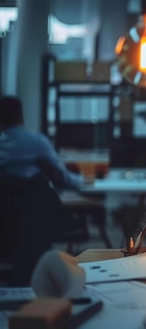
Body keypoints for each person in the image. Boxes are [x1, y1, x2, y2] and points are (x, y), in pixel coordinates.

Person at [0, 96, 85, 285]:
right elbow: (64, 178)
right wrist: (86, 182)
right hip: (35, 225)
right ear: (21, 117)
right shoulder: (35, 142)